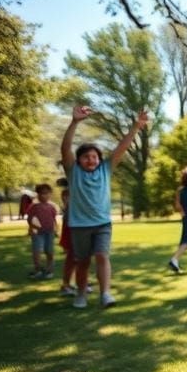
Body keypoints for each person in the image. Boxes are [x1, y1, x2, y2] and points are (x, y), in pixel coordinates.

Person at [61, 105, 149, 309]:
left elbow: (122, 147)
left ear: (99, 159)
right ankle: (81, 294)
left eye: (94, 156)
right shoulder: (74, 172)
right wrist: (74, 122)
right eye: (86, 157)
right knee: (82, 262)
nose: (90, 159)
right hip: (79, 225)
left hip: (102, 224)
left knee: (102, 256)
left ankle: (105, 294)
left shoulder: (106, 169)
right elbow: (65, 149)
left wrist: (136, 127)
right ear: (79, 160)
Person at [26, 183, 58, 280]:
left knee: (49, 251)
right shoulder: (34, 207)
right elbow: (29, 219)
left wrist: (56, 230)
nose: (45, 195)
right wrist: (33, 228)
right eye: (42, 193)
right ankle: (38, 270)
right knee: (37, 251)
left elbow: (54, 219)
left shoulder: (52, 207)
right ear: (38, 195)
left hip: (49, 232)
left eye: (47, 193)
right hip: (37, 233)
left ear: (50, 194)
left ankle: (49, 270)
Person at [59, 186, 78, 296]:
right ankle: (66, 285)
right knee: (72, 260)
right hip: (71, 238)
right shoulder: (69, 210)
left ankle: (77, 283)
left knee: (79, 261)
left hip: (77, 236)